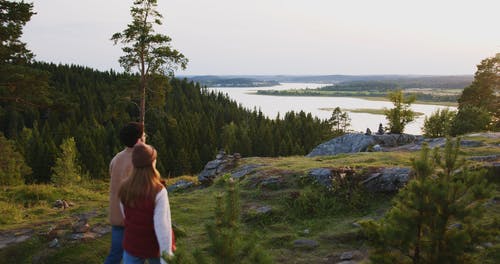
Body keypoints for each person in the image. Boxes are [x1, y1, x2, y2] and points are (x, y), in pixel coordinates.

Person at [119, 143, 173, 264]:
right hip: (154, 246)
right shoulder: (158, 191)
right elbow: (163, 227)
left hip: (132, 244)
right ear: (152, 163)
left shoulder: (124, 187)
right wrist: (167, 259)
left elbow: (125, 216)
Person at [105, 122, 145, 264]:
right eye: (143, 134)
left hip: (116, 213)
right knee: (137, 254)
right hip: (133, 214)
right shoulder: (141, 158)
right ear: (139, 139)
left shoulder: (116, 158)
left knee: (115, 254)